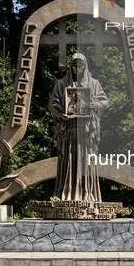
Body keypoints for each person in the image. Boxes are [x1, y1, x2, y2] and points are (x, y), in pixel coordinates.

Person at [48, 53, 108, 202]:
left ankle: (88, 193)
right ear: (70, 66)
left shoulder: (94, 84)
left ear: (85, 66)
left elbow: (104, 101)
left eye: (80, 65)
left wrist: (95, 105)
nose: (78, 68)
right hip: (69, 131)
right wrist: (62, 115)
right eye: (74, 65)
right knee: (69, 161)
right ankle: (66, 194)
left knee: (86, 161)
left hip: (87, 132)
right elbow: (52, 104)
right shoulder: (62, 84)